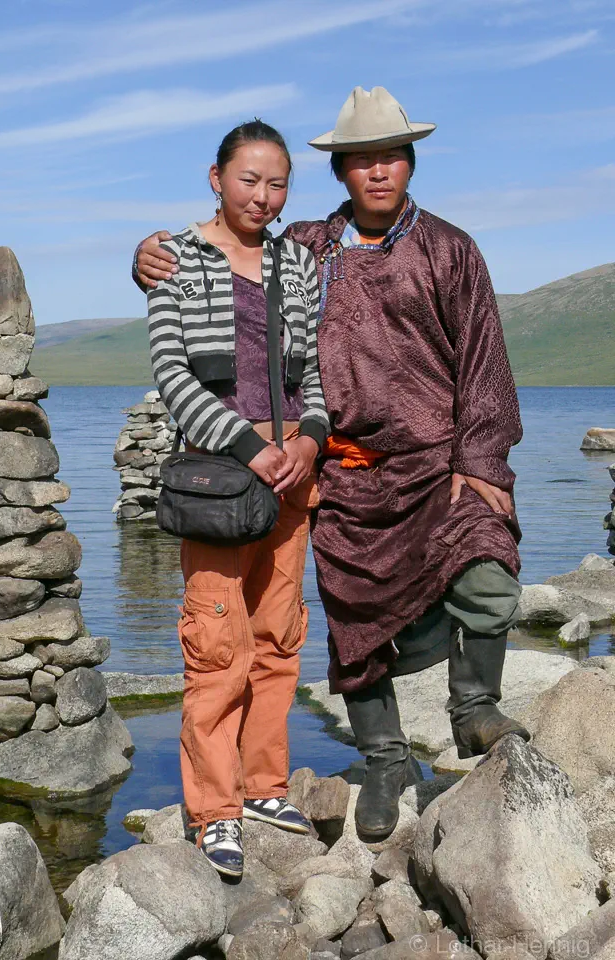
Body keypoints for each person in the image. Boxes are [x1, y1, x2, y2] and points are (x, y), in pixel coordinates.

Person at [135, 88, 529, 846]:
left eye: (392, 156)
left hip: (434, 463)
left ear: (410, 163)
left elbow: (485, 357)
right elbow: (219, 281)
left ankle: (474, 709)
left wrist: (481, 459)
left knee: (486, 563)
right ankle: (383, 759)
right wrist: (144, 256)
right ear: (342, 170)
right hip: (342, 473)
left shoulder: (451, 248)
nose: (379, 170)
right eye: (362, 159)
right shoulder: (309, 247)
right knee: (351, 621)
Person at [145, 119, 329, 877]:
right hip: (222, 476)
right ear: (215, 177)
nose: (262, 194)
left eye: (277, 181)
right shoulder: (175, 258)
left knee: (279, 638)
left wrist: (308, 442)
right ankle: (214, 811)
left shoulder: (296, 262)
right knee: (218, 645)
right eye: (248, 178)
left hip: (294, 474)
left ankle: (263, 786)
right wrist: (252, 449)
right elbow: (173, 374)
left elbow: (311, 374)